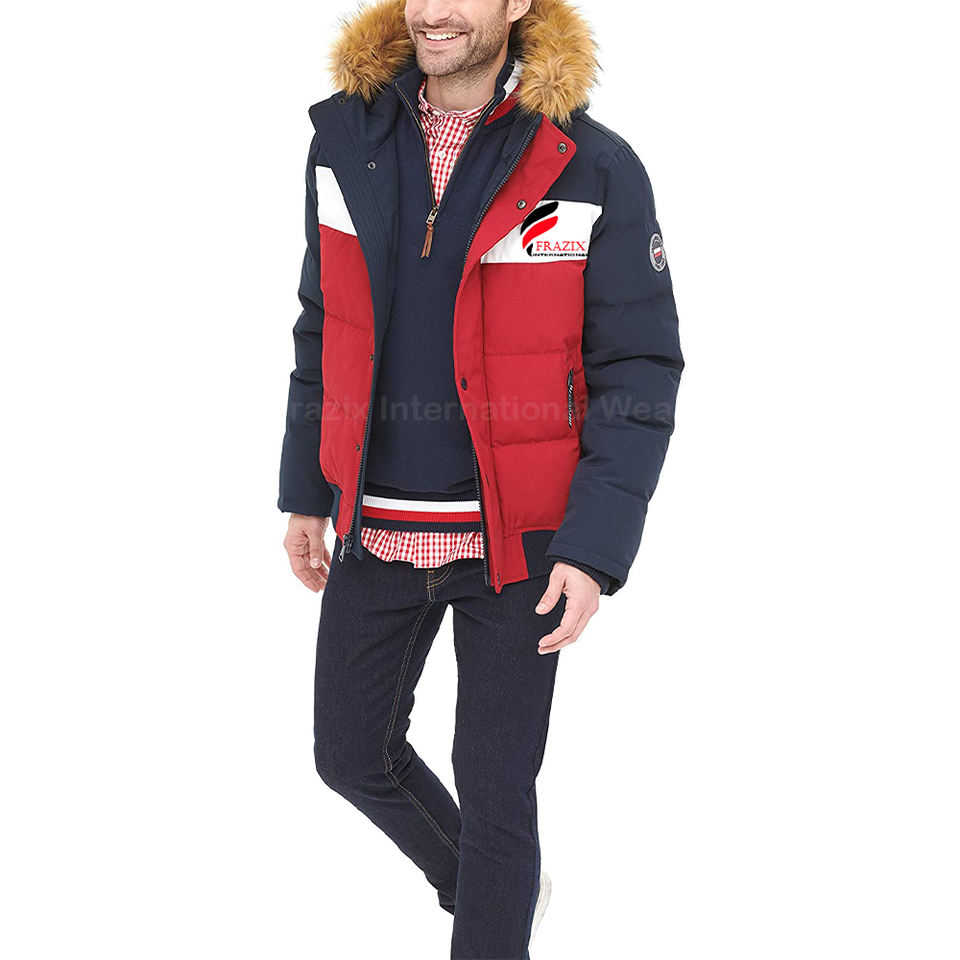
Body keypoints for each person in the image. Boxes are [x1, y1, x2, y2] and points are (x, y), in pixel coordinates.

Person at [278, 0, 683, 956]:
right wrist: (306, 489)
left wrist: (593, 548)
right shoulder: (344, 141)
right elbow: (321, 322)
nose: (434, 11)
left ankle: (496, 902)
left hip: (523, 541)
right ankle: (499, 890)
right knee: (351, 755)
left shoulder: (592, 164)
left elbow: (639, 367)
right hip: (376, 522)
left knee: (499, 793)